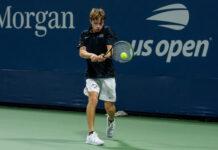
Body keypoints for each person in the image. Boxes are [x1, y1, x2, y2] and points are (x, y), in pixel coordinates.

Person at [77, 8, 117, 146]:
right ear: (91, 21)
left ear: (103, 22)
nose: (98, 26)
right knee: (93, 98)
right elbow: (82, 52)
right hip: (92, 74)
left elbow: (110, 51)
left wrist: (103, 57)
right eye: (95, 23)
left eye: (100, 23)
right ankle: (91, 134)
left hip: (107, 74)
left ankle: (111, 120)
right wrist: (92, 55)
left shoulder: (107, 31)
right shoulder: (84, 35)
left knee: (110, 108)